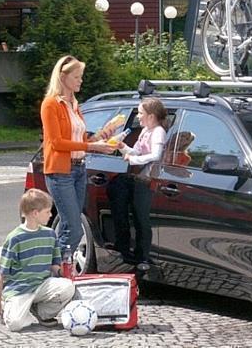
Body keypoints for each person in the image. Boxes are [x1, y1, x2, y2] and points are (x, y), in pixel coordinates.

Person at [41, 55, 113, 255]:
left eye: (81, 76)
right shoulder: (50, 104)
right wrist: (93, 147)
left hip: (79, 169)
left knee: (71, 226)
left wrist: (99, 138)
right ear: (63, 77)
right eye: (77, 76)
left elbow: (80, 142)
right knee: (73, 228)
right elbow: (56, 143)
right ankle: (56, 269)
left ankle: (57, 269)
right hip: (60, 172)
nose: (81, 80)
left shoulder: (74, 104)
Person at [0, 189, 75, 331]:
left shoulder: (50, 235)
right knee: (15, 325)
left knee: (68, 287)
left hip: (41, 285)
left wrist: (66, 272)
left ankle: (40, 311)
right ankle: (10, 307)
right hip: (19, 290)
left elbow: (54, 266)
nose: (50, 215)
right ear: (35, 213)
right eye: (47, 212)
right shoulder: (14, 238)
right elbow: (3, 273)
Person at [107, 98, 167, 265]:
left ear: (151, 116)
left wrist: (133, 161)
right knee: (138, 218)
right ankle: (134, 254)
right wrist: (122, 147)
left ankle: (143, 256)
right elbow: (137, 151)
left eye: (141, 113)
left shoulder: (158, 132)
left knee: (142, 220)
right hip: (140, 180)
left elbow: (156, 155)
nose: (138, 117)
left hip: (149, 181)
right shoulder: (145, 131)